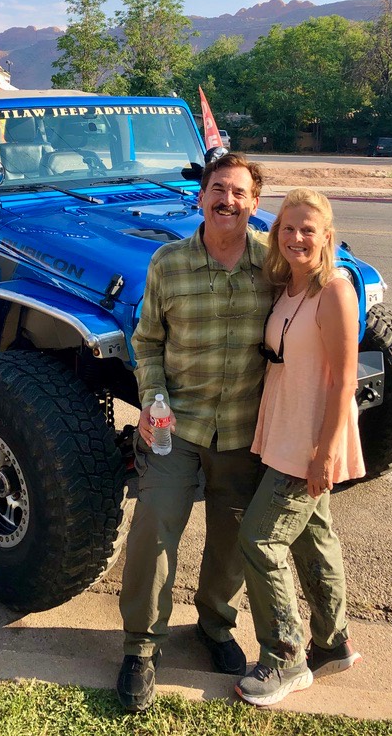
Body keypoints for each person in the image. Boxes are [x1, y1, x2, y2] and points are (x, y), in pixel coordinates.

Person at [116, 152, 273, 713]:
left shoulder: (274, 266)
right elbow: (148, 341)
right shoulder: (168, 263)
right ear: (200, 197)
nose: (227, 201)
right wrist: (153, 400)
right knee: (154, 528)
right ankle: (141, 645)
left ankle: (214, 625)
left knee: (231, 540)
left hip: (243, 432)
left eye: (239, 193)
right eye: (218, 190)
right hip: (174, 426)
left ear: (254, 205)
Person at [235, 188, 365, 709]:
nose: (296, 238)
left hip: (310, 440)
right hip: (284, 431)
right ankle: (332, 644)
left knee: (259, 540)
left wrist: (324, 453)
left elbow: (344, 382)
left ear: (326, 235)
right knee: (314, 537)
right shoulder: (288, 287)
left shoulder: (334, 289)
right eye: (287, 228)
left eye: (308, 229)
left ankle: (285, 657)